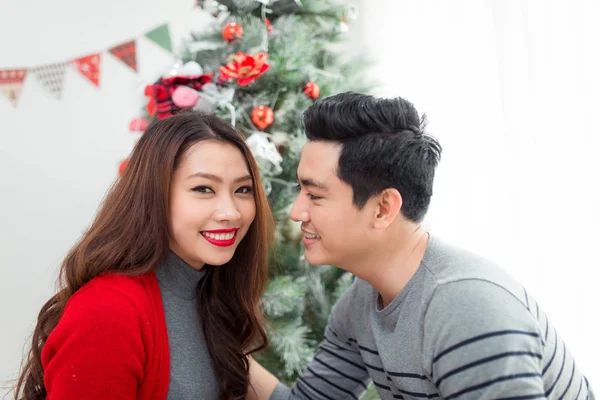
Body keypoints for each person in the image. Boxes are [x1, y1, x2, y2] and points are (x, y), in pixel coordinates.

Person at [248, 92, 594, 400]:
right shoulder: (360, 303)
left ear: (383, 208)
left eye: (316, 195)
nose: (296, 212)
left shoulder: (465, 308)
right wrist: (209, 342)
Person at [14, 111, 275, 400]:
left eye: (242, 189)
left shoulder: (206, 293)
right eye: (203, 189)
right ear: (154, 194)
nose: (231, 212)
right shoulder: (107, 311)